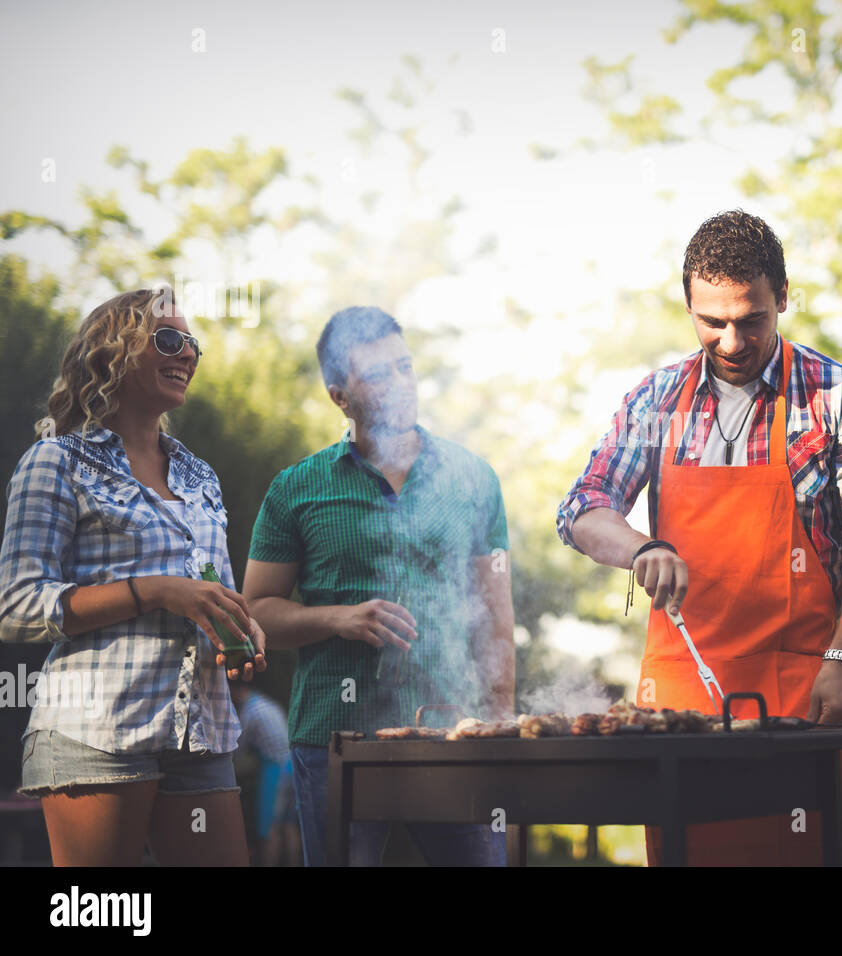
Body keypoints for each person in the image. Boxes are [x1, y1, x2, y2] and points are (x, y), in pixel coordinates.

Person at [558, 210, 842, 866]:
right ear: (689, 303)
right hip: (682, 705)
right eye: (711, 321)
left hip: (802, 691)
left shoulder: (839, 398)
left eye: (752, 319)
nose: (732, 340)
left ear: (784, 297)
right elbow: (584, 507)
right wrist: (642, 548)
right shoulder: (657, 401)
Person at [0, 288, 266, 866]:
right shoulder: (56, 462)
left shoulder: (201, 477)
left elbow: (210, 590)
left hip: (200, 733)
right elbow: (17, 606)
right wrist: (157, 591)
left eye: (192, 344)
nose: (188, 354)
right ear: (112, 353)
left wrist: (239, 628)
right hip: (96, 733)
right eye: (169, 339)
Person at [243, 306, 514, 867]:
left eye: (405, 367)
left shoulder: (473, 478)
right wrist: (337, 618)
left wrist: (501, 726)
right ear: (340, 396)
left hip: (452, 736)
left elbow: (496, 618)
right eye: (378, 374)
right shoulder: (296, 488)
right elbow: (255, 613)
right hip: (335, 741)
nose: (401, 385)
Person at [227, 681, 299, 866]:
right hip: (293, 765)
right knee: (288, 825)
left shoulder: (251, 711)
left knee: (268, 828)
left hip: (275, 769)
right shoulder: (267, 703)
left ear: (234, 692)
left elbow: (238, 749)